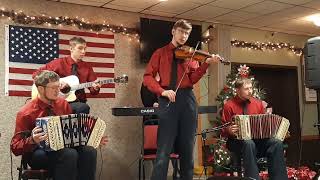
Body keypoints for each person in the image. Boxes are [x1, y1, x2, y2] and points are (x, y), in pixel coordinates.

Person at [143, 19, 221, 180]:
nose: (184, 36)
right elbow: (147, 78)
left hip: (188, 100)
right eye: (181, 31)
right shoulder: (160, 53)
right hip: (167, 100)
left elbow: (192, 79)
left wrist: (206, 64)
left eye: (187, 33)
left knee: (187, 149)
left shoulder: (190, 55)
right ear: (173, 31)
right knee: (163, 150)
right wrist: (162, 91)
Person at [11, 70, 107, 180]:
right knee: (69, 154)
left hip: (63, 147)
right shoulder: (25, 113)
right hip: (38, 152)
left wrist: (92, 138)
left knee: (89, 151)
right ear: (41, 89)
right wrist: (32, 140)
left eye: (58, 87)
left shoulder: (63, 104)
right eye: (53, 88)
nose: (58, 91)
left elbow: (72, 132)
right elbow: (15, 147)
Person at [221, 78, 288, 180]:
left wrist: (277, 130)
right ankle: (253, 178)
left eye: (251, 88)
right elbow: (223, 129)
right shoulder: (229, 105)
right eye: (246, 89)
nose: (250, 91)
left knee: (276, 143)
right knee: (248, 143)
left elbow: (264, 124)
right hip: (236, 142)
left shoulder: (258, 103)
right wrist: (229, 130)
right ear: (238, 90)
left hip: (258, 141)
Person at [32, 37, 101, 114]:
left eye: (85, 49)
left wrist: (96, 88)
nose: (83, 51)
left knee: (83, 107)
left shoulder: (87, 67)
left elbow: (93, 91)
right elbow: (36, 74)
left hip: (78, 102)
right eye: (80, 48)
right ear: (71, 48)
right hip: (56, 102)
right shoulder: (59, 63)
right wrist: (58, 83)